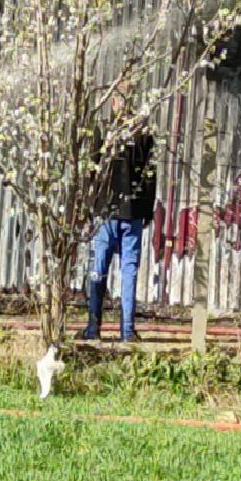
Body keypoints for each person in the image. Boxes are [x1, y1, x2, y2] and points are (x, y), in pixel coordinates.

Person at [78, 88, 157, 343]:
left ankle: (93, 329)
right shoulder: (144, 134)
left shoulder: (102, 130)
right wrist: (146, 211)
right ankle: (127, 331)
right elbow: (150, 175)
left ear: (113, 102)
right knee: (129, 270)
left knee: (98, 269)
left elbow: (91, 170)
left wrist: (89, 207)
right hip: (132, 212)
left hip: (105, 212)